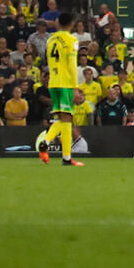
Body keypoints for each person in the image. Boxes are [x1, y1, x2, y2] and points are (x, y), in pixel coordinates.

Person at [41, 12, 84, 167]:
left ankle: (66, 158)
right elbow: (72, 65)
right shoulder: (72, 40)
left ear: (58, 22)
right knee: (66, 119)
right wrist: (75, 88)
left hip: (53, 82)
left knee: (64, 120)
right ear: (71, 24)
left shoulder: (51, 39)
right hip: (65, 83)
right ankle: (45, 142)